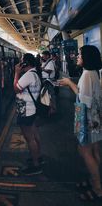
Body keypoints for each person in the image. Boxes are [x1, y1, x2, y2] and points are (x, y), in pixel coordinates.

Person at [59, 45, 102, 201]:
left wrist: (69, 83)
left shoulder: (86, 75)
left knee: (85, 152)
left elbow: (83, 100)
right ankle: (95, 181)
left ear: (86, 58)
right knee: (95, 151)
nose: (77, 57)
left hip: (87, 119)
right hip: (96, 119)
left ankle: (97, 188)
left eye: (80, 55)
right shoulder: (94, 73)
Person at [13, 53, 42, 175]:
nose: (20, 64)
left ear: (25, 63)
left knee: (29, 138)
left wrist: (16, 73)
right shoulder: (35, 73)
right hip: (32, 109)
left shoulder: (29, 75)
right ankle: (38, 157)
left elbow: (16, 88)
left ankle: (35, 166)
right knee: (34, 135)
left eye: (21, 61)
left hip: (26, 110)